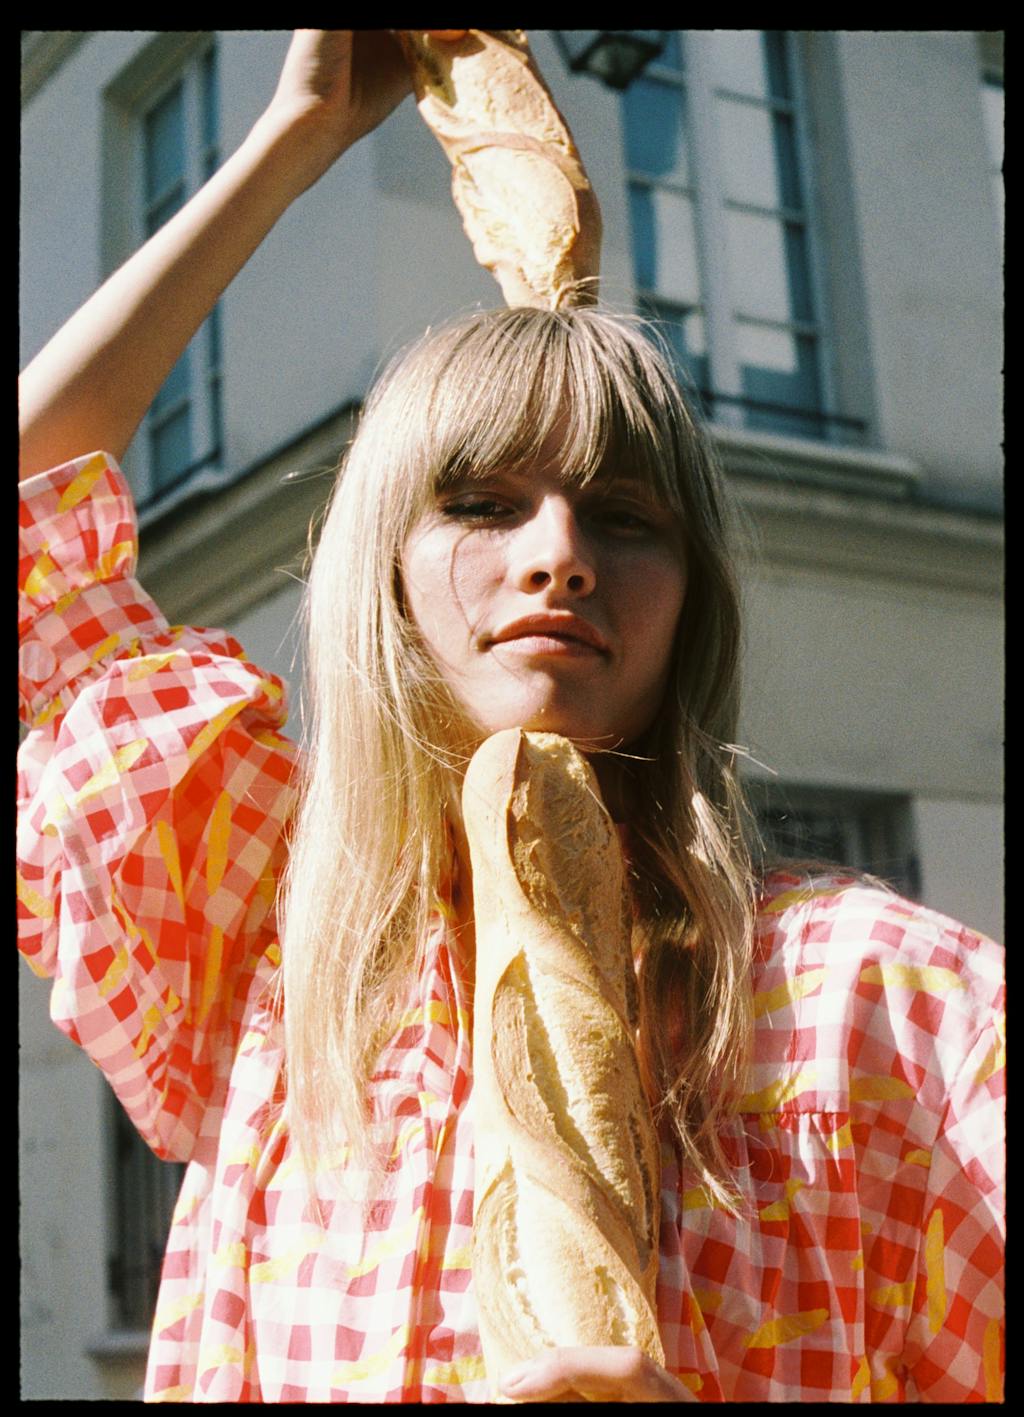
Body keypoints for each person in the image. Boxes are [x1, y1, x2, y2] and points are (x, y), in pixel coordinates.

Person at [18, 30, 1004, 1404]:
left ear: (694, 600)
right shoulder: (277, 937)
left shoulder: (881, 1006)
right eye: (482, 504)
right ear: (382, 576)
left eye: (626, 515)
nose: (559, 555)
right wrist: (293, 139)